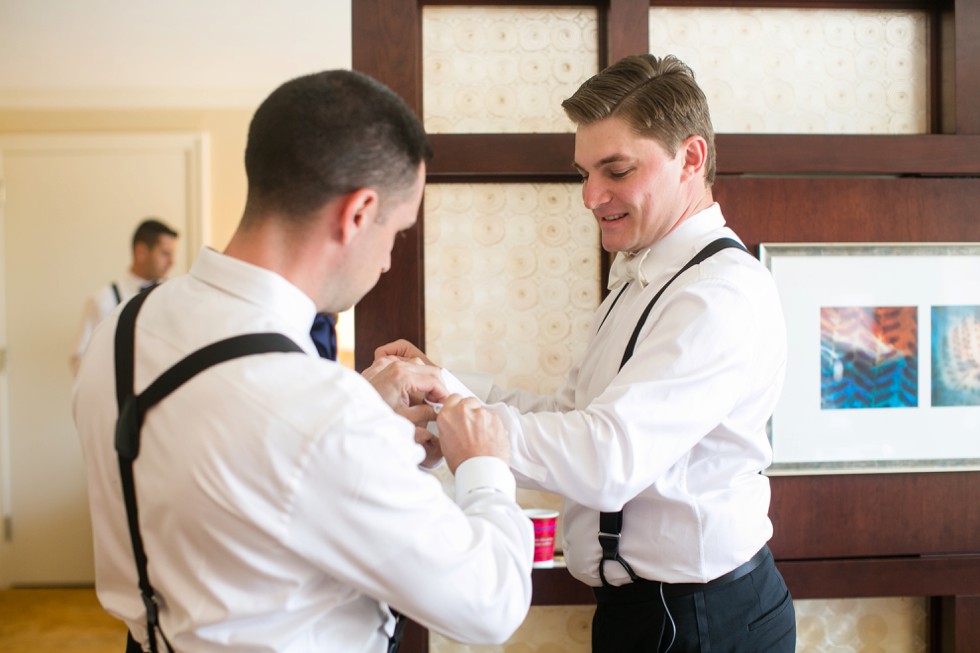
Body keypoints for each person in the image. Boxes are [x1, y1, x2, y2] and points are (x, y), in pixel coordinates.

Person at [73, 69, 533, 652]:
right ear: (359, 213)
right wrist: (484, 467)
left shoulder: (121, 331)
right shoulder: (317, 412)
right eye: (397, 231)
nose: (390, 260)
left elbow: (235, 481)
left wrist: (363, 418)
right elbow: (490, 604)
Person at [378, 54, 796, 652]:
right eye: (584, 173)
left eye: (617, 171)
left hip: (703, 619)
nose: (591, 196)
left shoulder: (717, 295)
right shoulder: (643, 276)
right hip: (644, 612)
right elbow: (571, 416)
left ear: (692, 158)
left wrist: (458, 424)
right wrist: (440, 383)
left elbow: (607, 459)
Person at [70, 218, 178, 375]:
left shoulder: (173, 297)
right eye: (165, 254)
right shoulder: (102, 301)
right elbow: (78, 362)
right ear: (141, 252)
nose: (172, 262)